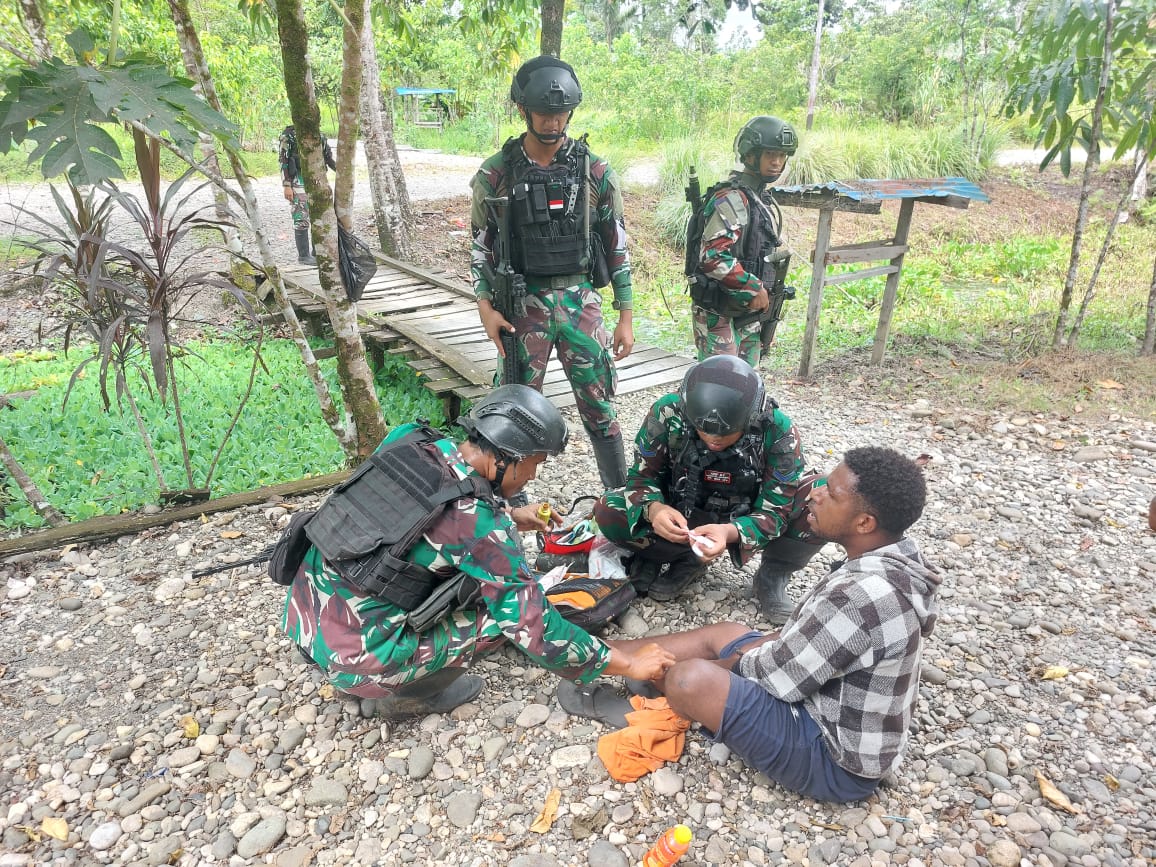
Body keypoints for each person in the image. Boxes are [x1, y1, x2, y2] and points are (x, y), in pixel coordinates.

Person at [565, 447, 940, 804]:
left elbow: (778, 679)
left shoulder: (860, 595)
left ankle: (647, 691)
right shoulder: (890, 562)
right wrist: (739, 654)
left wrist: (679, 671)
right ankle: (594, 655)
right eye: (824, 483)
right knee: (725, 633)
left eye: (833, 494)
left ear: (864, 522)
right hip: (819, 696)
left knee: (689, 680)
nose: (816, 494)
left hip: (834, 760)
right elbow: (798, 641)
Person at [281, 385, 674, 718]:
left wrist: (510, 514)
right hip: (359, 661)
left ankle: (335, 654)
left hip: (303, 616)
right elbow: (537, 630)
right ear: (508, 457)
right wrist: (627, 662)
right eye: (534, 465)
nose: (533, 476)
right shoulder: (484, 527)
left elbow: (413, 514)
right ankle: (407, 696)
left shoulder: (409, 440)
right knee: (496, 618)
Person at [470, 56, 634, 493]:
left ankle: (619, 503)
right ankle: (507, 506)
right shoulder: (496, 172)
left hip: (582, 302)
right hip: (523, 305)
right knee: (513, 413)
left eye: (560, 113)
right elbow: (481, 248)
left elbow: (616, 245)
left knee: (602, 411)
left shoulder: (596, 171)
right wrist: (486, 309)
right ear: (523, 110)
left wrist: (626, 315)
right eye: (544, 112)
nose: (553, 120)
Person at [593, 355, 822, 620]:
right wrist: (653, 510)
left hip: (744, 516)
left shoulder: (778, 430)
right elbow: (642, 478)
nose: (714, 439)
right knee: (609, 508)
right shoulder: (669, 413)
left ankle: (774, 574)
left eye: (727, 434)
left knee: (823, 496)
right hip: (683, 511)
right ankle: (667, 555)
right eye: (704, 430)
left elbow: (777, 510)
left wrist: (730, 532)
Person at [689, 115, 798, 365]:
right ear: (750, 155)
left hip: (748, 311)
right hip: (720, 310)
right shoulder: (733, 198)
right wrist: (752, 287)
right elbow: (713, 257)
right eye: (770, 154)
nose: (777, 162)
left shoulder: (760, 199)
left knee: (746, 385)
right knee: (719, 382)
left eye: (782, 156)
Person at [278, 124, 337, 266]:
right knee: (301, 218)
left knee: (320, 216)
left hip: (318, 181)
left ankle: (317, 252)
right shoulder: (289, 136)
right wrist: (287, 185)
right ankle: (303, 255)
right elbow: (283, 161)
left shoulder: (320, 136)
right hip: (297, 181)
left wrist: (342, 172)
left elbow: (328, 158)